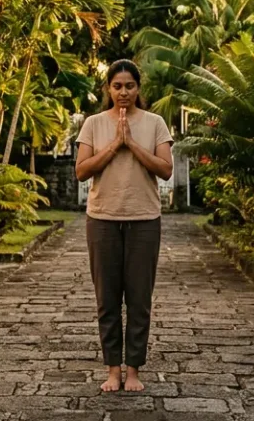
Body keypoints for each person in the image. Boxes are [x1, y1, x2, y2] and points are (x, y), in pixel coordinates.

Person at [74, 60, 174, 393]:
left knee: (139, 299)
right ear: (108, 89)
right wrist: (115, 144)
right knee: (107, 300)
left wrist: (132, 143)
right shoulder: (92, 124)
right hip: (102, 220)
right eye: (117, 86)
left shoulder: (155, 123)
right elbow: (82, 171)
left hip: (144, 220)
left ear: (138, 88)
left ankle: (133, 370)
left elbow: (165, 169)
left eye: (129, 86)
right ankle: (112, 369)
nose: (123, 92)